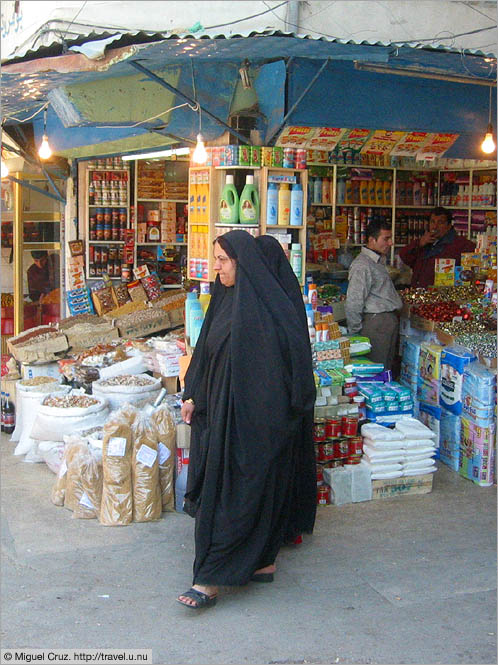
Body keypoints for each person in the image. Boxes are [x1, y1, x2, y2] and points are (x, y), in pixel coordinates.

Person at [177, 230, 316, 610]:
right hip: (221, 415)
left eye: (223, 260)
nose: (216, 267)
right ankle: (261, 561)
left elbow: (285, 372)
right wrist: (195, 394)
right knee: (243, 494)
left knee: (237, 495)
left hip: (254, 423)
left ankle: (209, 578)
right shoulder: (226, 299)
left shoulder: (267, 311)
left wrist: (260, 422)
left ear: (243, 262)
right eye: (216, 259)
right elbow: (207, 351)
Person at [255, 234, 316, 545]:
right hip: (296, 397)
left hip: (279, 398)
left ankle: (278, 527)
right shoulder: (288, 293)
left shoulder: (266, 298)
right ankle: (292, 525)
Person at [345, 219, 402, 372]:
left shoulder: (377, 261)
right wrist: (356, 332)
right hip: (376, 324)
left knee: (386, 368)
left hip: (385, 323)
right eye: (386, 239)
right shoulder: (362, 265)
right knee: (376, 371)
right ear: (372, 240)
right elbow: (354, 302)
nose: (390, 243)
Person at [398, 207, 476, 288]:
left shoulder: (460, 244)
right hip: (419, 293)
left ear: (449, 226)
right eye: (432, 222)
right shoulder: (424, 242)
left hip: (442, 295)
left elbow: (470, 271)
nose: (435, 227)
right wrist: (419, 243)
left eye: (440, 222)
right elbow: (404, 256)